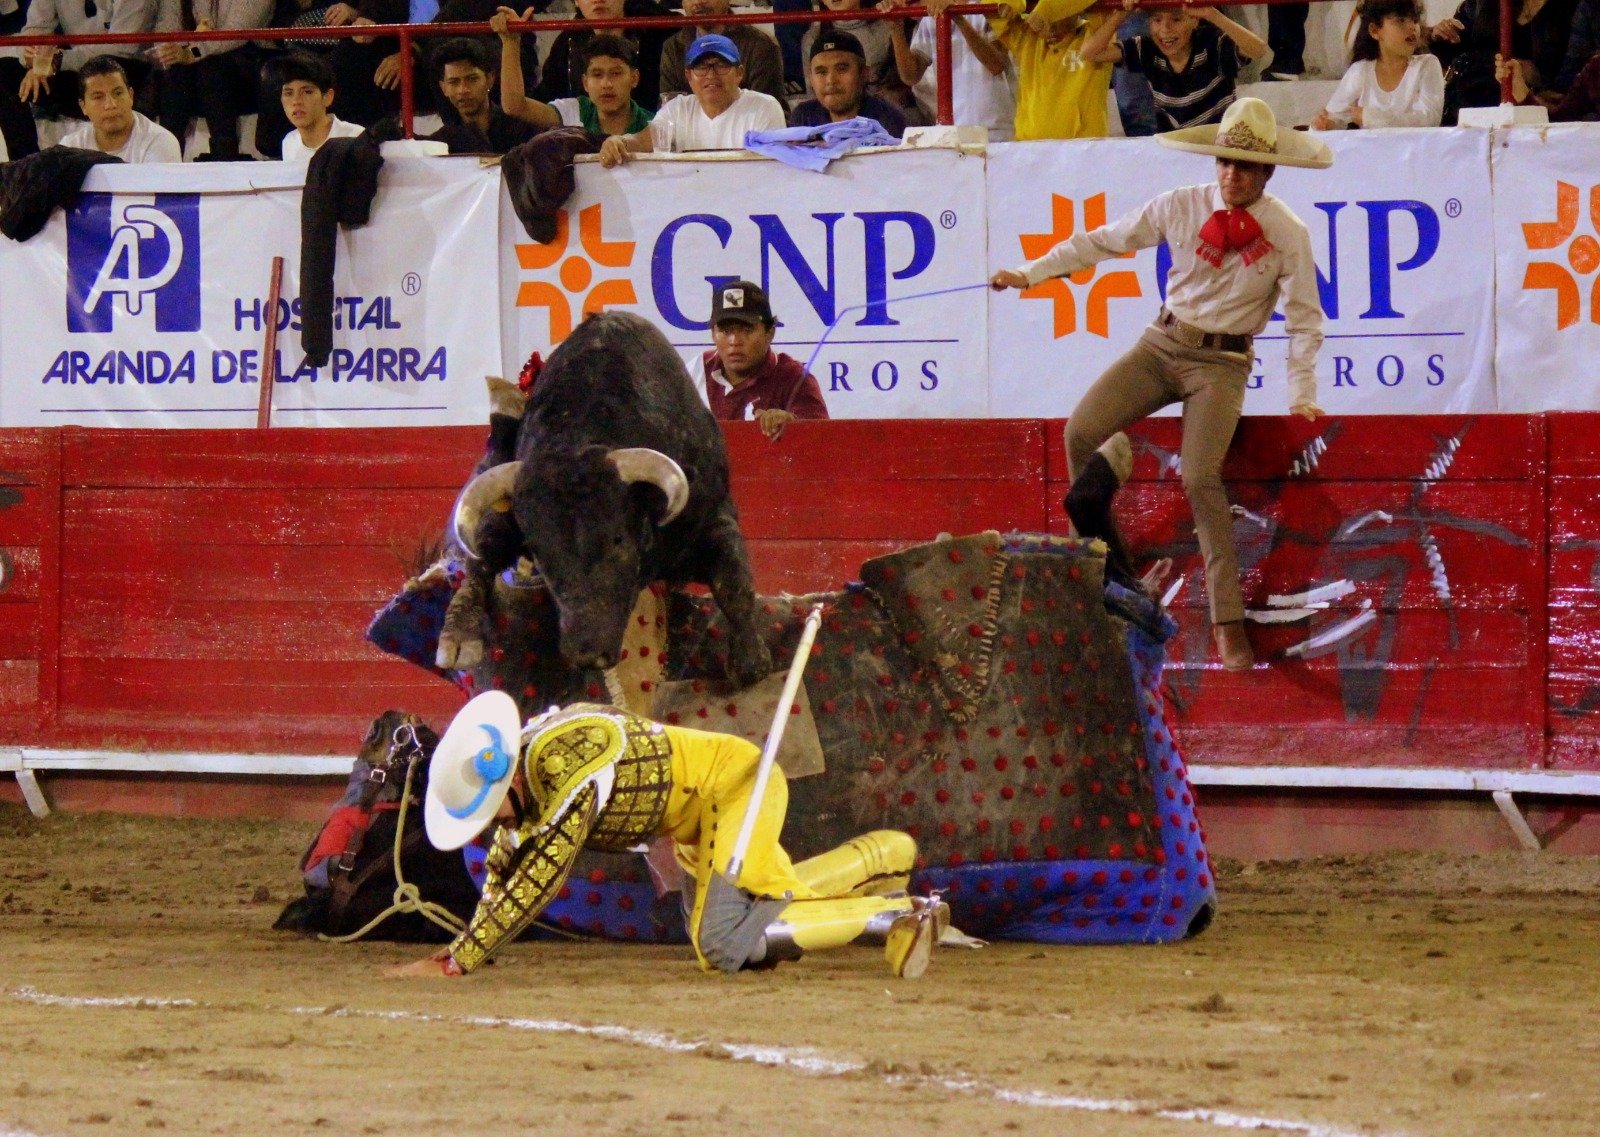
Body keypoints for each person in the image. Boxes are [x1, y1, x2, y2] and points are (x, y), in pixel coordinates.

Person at [989, 98, 1331, 672]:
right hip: (1161, 345)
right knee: (1081, 431)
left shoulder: (1286, 231)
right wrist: (1031, 273)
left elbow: (1305, 317)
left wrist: (1302, 389)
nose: (1232, 175)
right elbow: (1103, 240)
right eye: (1225, 162)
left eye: (1246, 167)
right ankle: (1102, 573)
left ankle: (1227, 620)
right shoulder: (1180, 204)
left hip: (1222, 364)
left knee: (1200, 477)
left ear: (1268, 172)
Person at [391, 697, 948, 979]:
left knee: (721, 944)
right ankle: (881, 857)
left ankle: (896, 913)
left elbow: (537, 878)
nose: (494, 828)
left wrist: (458, 961)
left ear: (506, 780)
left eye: (489, 815)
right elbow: (506, 863)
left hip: (733, 789)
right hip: (699, 814)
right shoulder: (528, 764)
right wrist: (468, 950)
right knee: (738, 925)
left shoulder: (563, 767)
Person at [1079, 0, 1269, 133]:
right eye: (1157, 20)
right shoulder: (1147, 49)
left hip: (1218, 145)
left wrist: (1213, 14)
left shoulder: (1211, 43)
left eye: (1176, 19)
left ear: (1195, 20)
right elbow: (1090, 53)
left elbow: (1258, 50)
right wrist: (1122, 13)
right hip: (1177, 147)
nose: (1165, 29)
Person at [598, 34, 785, 164]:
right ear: (688, 76)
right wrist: (619, 143)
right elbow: (641, 142)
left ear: (739, 73)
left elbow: (769, 170)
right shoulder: (677, 109)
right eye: (701, 67)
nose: (711, 75)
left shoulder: (763, 107)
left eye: (721, 66)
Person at [690, 280, 829, 441]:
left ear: (770, 333)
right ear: (713, 334)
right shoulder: (696, 370)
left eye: (747, 330)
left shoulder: (794, 379)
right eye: (726, 331)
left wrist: (794, 426)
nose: (735, 341)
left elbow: (822, 442)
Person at [491, 13, 653, 135]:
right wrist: (511, 41)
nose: (606, 84)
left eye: (616, 73)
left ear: (634, 78)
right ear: (585, 82)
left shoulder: (654, 126)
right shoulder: (574, 111)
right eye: (597, 75)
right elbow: (515, 106)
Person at [152, 0, 272, 160]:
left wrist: (193, 51)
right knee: (176, 73)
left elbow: (236, 32)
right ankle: (167, 158)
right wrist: (173, 50)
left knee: (212, 69)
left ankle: (225, 156)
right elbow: (167, 28)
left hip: (247, 62)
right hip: (197, 63)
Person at [883, 0, 1014, 141]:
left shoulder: (985, 6)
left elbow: (996, 65)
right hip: (951, 131)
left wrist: (958, 17)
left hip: (996, 128)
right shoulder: (930, 19)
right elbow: (910, 77)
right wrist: (896, 29)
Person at [8, 0, 159, 122]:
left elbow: (121, 47)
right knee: (6, 70)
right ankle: (26, 151)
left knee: (112, 65)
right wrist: (33, 59)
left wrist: (58, 60)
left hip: (124, 71)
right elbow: (36, 29)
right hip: (76, 71)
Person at [1431, 0, 1577, 123]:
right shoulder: (1480, 4)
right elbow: (1453, 53)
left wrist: (1537, 79)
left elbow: (1573, 75)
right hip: (1471, 109)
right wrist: (1439, 35)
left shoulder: (1574, 8)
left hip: (1532, 113)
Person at [989, 0, 1114, 140]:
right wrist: (1011, 3)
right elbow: (994, 8)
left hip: (1084, 148)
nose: (1053, 21)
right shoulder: (1027, 36)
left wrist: (1046, 11)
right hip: (1029, 148)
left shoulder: (1096, 33)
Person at [1312, 0, 1443, 129]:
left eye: (1415, 20)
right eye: (1401, 20)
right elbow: (1334, 115)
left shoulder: (1427, 65)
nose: (1412, 27)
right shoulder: (1360, 71)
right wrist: (1325, 124)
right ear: (1374, 31)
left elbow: (1429, 119)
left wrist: (1372, 118)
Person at [534, 0, 675, 111]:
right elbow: (546, 97)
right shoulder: (568, 41)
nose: (598, 0)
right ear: (576, 1)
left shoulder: (660, 31)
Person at [658, 0, 785, 105]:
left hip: (745, 127)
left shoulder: (760, 45)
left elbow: (767, 111)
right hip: (689, 128)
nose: (698, 2)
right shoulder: (673, 47)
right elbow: (668, 108)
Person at [60, 55, 182, 161]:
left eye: (118, 93)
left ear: (131, 96)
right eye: (98, 97)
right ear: (83, 106)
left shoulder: (160, 142)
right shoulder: (70, 149)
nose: (110, 105)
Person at [428, 36, 539, 152]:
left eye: (472, 79)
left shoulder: (522, 129)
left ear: (490, 80)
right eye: (454, 82)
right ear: (444, 88)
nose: (463, 90)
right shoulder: (441, 142)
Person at [789, 28, 908, 136]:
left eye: (842, 69)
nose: (831, 80)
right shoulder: (803, 117)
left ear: (864, 74)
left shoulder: (888, 119)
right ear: (811, 79)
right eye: (821, 72)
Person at [272, 51, 364, 162]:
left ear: (327, 97)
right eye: (288, 93)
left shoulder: (355, 137)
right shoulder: (289, 142)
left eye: (307, 92)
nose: (296, 101)